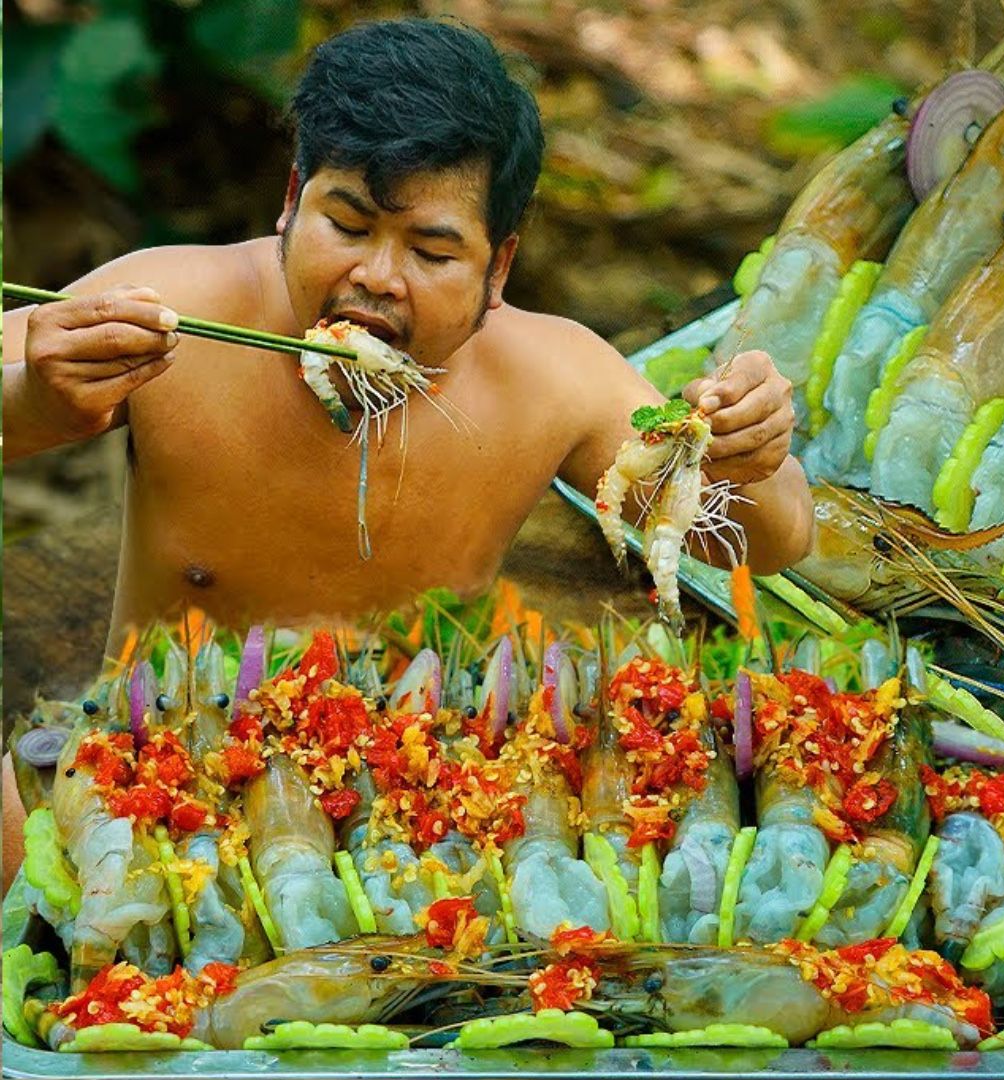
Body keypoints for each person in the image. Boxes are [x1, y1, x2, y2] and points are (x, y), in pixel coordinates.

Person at [1, 16, 815, 653]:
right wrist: (33, 399)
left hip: (411, 801)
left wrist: (756, 460)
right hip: (146, 780)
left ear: (498, 268)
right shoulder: (169, 303)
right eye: (347, 225)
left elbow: (769, 545)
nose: (379, 277)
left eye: (431, 250)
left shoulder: (556, 381)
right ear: (293, 199)